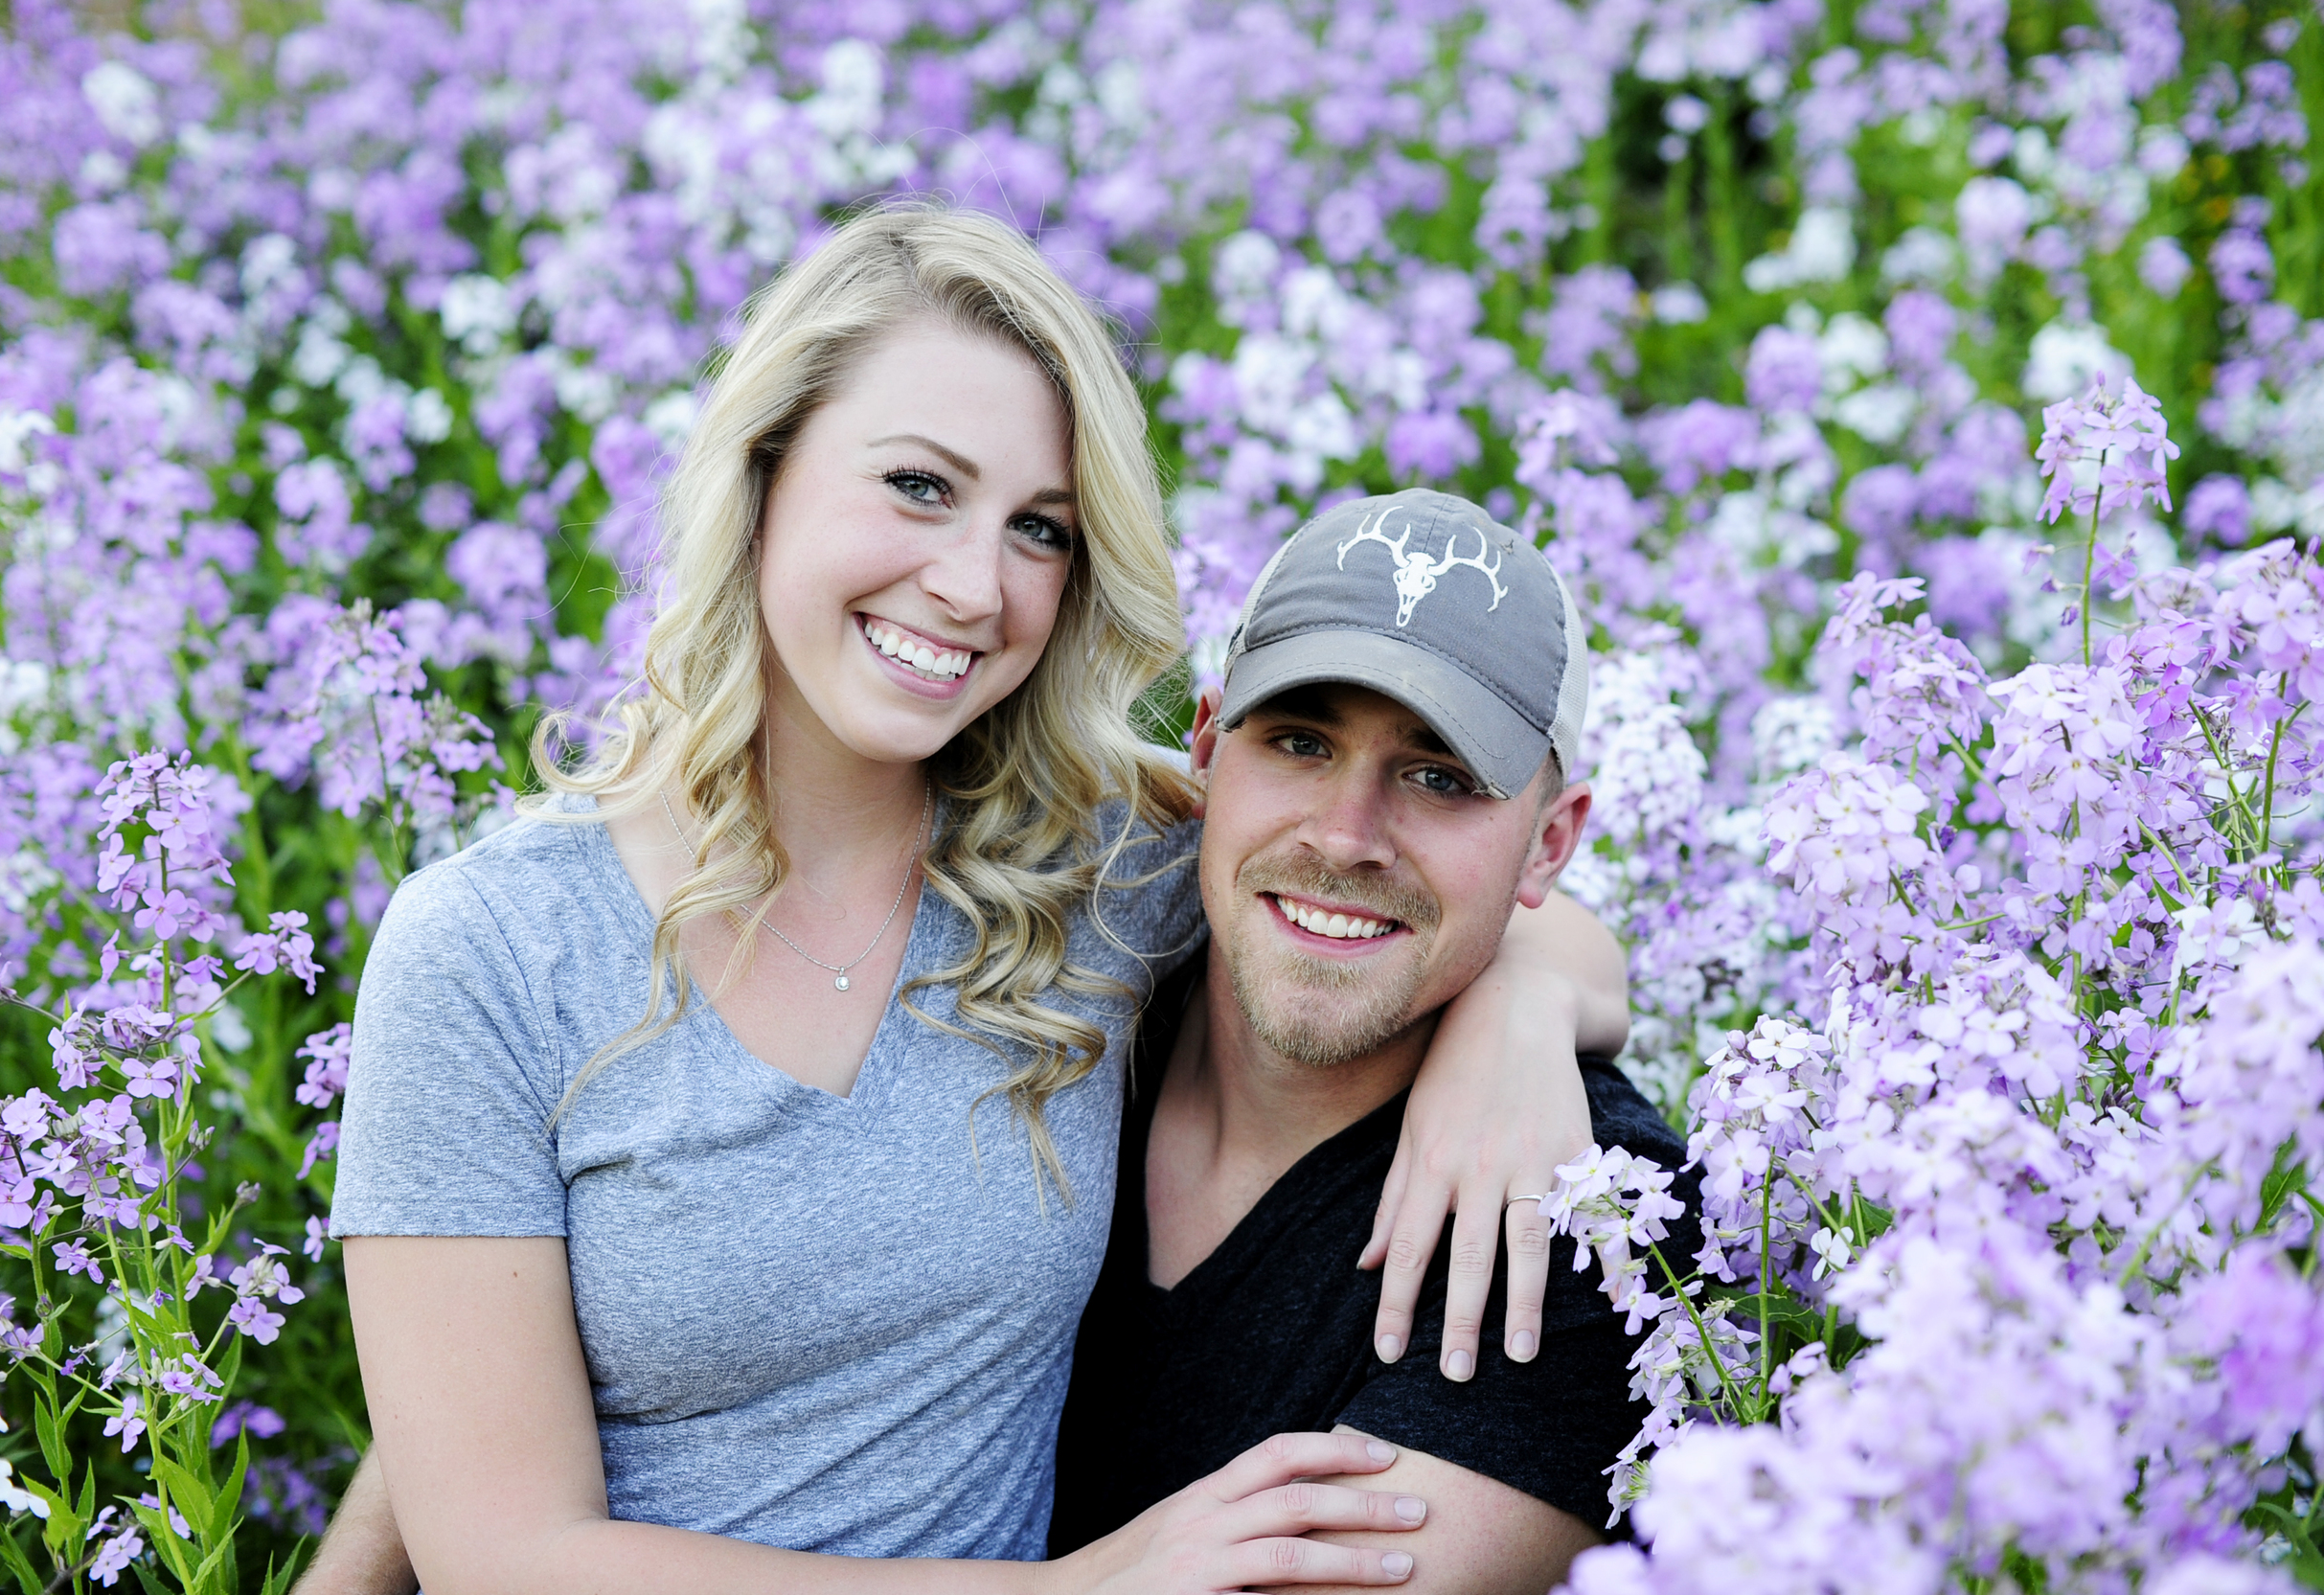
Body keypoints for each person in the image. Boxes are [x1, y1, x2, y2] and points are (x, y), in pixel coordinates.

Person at [321, 208, 1617, 1594]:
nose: (970, 585)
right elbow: (495, 1551)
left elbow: (1400, 884)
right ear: (763, 470)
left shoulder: (1089, 868)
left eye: (1041, 531)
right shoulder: (491, 946)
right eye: (919, 486)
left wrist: (1523, 1017)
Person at [1047, 491, 1696, 1592]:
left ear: (1551, 842)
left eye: (1439, 777)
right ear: (1205, 751)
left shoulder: (1588, 1217)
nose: (1345, 837)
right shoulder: (1059, 981)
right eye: (1299, 741)